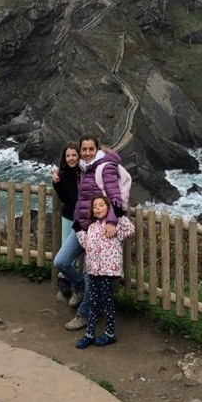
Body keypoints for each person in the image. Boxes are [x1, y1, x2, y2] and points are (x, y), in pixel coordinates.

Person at [54, 133, 125, 331]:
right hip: (82, 227)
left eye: (90, 149)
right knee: (61, 261)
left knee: (90, 272)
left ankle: (83, 315)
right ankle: (81, 288)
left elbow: (115, 197)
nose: (86, 153)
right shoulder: (85, 168)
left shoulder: (105, 167)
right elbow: (79, 196)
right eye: (83, 149)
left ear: (97, 149)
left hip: (99, 230)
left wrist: (111, 222)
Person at [73, 194, 135, 348]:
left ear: (108, 207)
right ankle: (90, 333)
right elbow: (87, 245)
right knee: (93, 303)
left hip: (108, 271)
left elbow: (130, 231)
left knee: (107, 303)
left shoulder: (114, 226)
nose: (98, 208)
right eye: (95, 206)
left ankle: (109, 333)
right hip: (93, 270)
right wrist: (79, 231)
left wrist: (119, 216)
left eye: (101, 205)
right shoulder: (92, 227)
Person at [51, 142, 80, 300]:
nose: (71, 158)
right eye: (68, 155)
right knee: (66, 249)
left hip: (84, 217)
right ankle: (64, 278)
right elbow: (64, 198)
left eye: (74, 155)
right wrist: (56, 183)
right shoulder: (62, 173)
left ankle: (80, 282)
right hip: (69, 215)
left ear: (79, 156)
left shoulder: (84, 171)